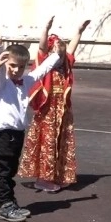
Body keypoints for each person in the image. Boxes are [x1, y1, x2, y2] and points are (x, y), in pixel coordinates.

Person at [0, 35, 60, 222]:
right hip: (4, 135)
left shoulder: (26, 81)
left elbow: (42, 70)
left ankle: (10, 202)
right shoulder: (1, 83)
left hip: (18, 134)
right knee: (2, 171)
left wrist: (56, 55)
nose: (16, 70)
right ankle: (4, 205)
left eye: (20, 67)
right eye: (12, 65)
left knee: (10, 170)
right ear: (5, 63)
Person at [20, 19, 90, 192]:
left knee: (60, 141)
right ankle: (43, 178)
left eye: (61, 50)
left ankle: (57, 175)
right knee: (47, 141)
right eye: (57, 50)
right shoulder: (46, 64)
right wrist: (45, 28)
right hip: (48, 108)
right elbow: (42, 47)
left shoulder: (65, 63)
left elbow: (72, 48)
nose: (61, 53)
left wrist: (79, 31)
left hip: (62, 109)